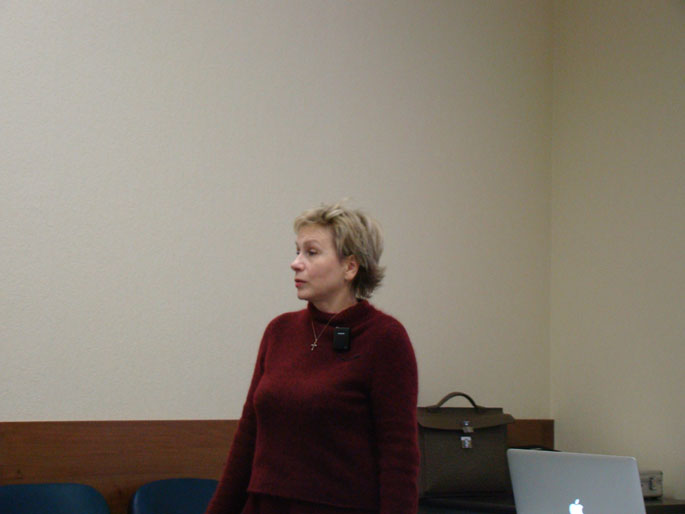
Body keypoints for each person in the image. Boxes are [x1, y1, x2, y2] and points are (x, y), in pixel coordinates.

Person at [205, 201, 419, 514]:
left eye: (312, 252)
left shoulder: (385, 338)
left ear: (350, 267)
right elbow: (248, 438)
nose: (295, 263)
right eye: (297, 251)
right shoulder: (279, 331)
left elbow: (399, 456)